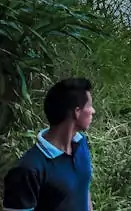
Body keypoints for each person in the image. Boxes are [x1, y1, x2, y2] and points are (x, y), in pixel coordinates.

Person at [2, 78, 96, 211]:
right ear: (77, 111)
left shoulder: (80, 143)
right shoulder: (28, 170)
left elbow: (83, 188)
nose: (93, 111)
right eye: (90, 106)